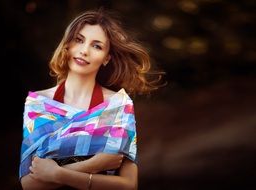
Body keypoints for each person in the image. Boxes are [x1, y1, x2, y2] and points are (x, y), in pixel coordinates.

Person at [19, 8, 164, 190]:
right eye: (79, 40)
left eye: (97, 46)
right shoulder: (37, 103)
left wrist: (56, 174)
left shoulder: (118, 105)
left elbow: (128, 185)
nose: (84, 51)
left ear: (106, 58)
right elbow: (29, 185)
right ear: (67, 45)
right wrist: (93, 165)